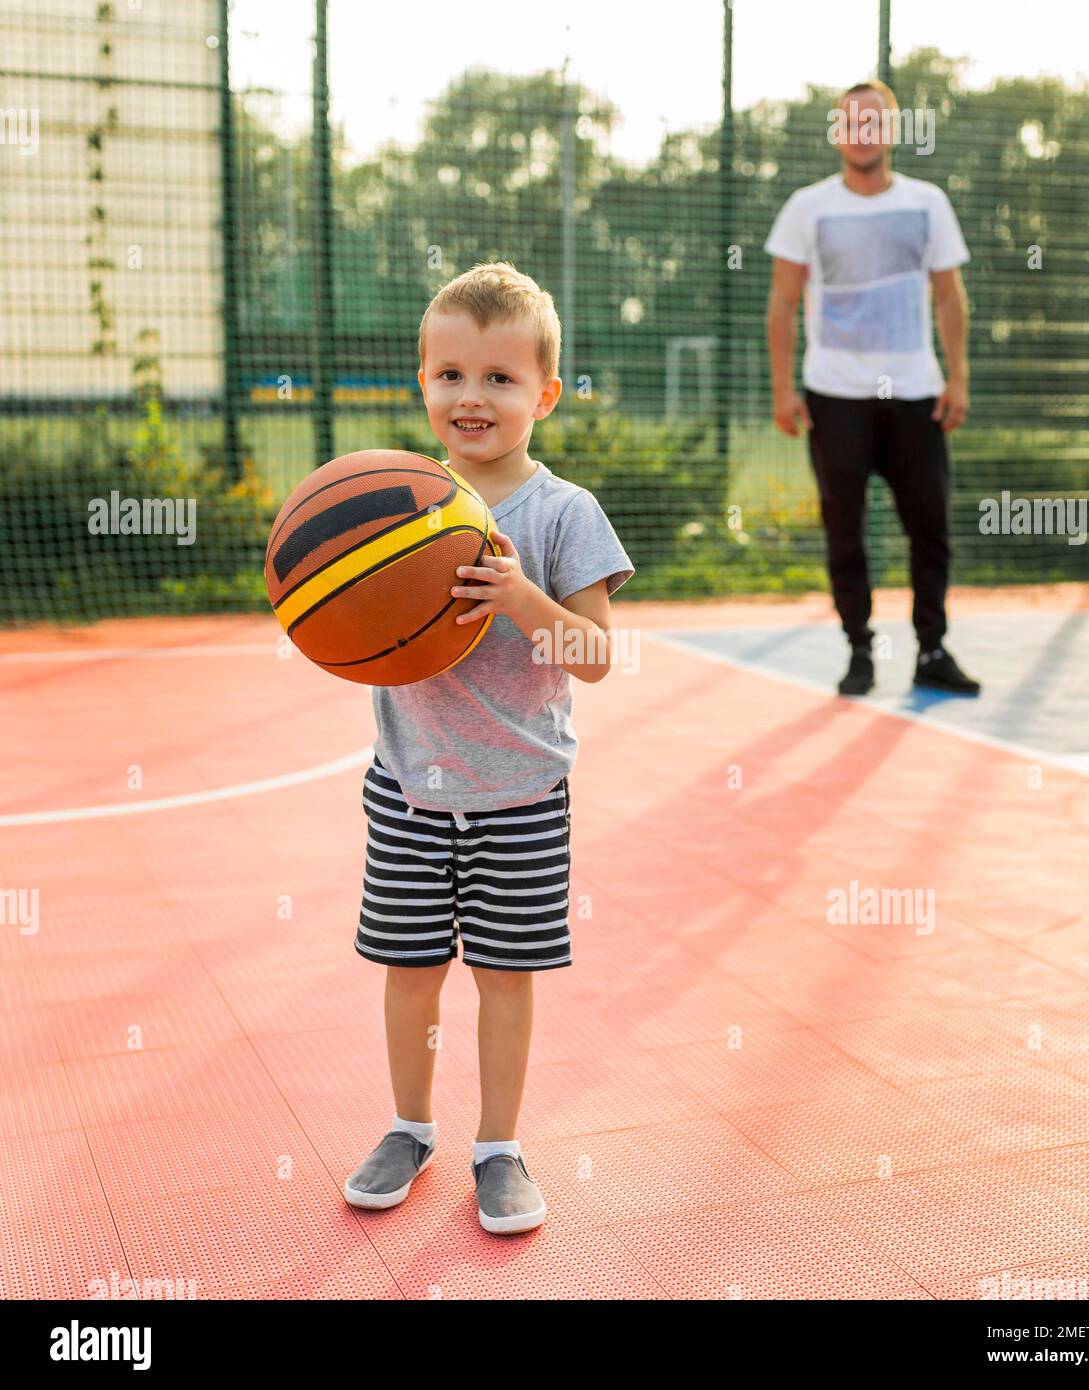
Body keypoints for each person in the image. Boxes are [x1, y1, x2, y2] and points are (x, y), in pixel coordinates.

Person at [344, 262, 634, 1233]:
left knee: (504, 977)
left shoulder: (562, 514)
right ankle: (408, 1125)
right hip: (407, 790)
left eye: (500, 379)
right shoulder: (393, 505)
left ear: (544, 394)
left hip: (519, 795)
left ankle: (497, 1145)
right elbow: (347, 619)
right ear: (420, 381)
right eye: (451, 374)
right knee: (410, 970)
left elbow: (593, 655)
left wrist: (520, 598)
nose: (472, 397)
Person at [765, 78, 980, 696]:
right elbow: (781, 303)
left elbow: (949, 296)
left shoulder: (928, 202)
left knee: (931, 527)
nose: (862, 132)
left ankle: (932, 649)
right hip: (835, 398)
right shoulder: (808, 207)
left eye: (874, 121)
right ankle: (859, 650)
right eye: (851, 122)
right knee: (845, 529)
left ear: (891, 130)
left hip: (916, 394)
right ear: (839, 133)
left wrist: (958, 376)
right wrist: (783, 389)